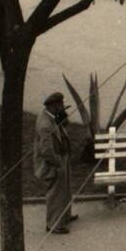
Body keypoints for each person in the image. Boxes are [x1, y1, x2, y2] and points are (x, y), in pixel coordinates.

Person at [34, 93, 93, 234]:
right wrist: (58, 163)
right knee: (56, 193)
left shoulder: (50, 117)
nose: (62, 107)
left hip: (61, 157)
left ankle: (64, 216)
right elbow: (46, 150)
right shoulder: (45, 125)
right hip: (54, 162)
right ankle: (53, 224)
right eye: (60, 105)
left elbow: (62, 128)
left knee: (65, 189)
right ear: (53, 105)